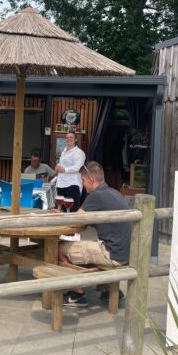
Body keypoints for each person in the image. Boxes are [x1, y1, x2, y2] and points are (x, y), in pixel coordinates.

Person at [59, 161, 132, 308]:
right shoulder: (114, 193)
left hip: (110, 254)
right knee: (89, 249)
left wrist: (60, 216)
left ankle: (77, 295)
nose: (82, 184)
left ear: (91, 179)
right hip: (124, 253)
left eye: (83, 180)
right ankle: (111, 291)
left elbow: (76, 223)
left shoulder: (96, 196)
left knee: (60, 249)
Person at [54, 131, 85, 211]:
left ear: (76, 140)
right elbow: (61, 164)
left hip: (72, 184)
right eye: (67, 138)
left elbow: (78, 167)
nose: (68, 139)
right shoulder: (64, 151)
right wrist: (57, 167)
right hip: (61, 183)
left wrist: (65, 169)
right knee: (61, 208)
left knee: (72, 209)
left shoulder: (79, 152)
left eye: (71, 137)